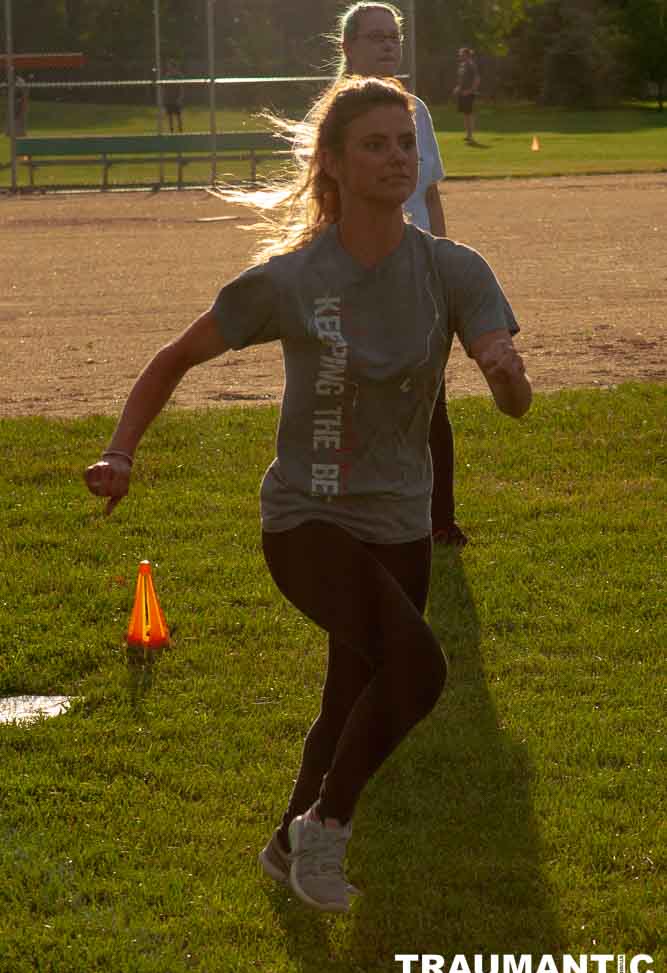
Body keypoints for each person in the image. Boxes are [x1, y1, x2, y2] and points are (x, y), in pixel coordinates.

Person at [85, 76, 531, 914]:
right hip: (306, 518)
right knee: (418, 666)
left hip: (400, 522)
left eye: (405, 143)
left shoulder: (453, 269)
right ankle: (326, 827)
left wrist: (508, 379)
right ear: (330, 163)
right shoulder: (290, 280)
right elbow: (172, 358)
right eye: (375, 144)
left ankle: (286, 838)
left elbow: (511, 395)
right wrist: (120, 453)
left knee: (350, 695)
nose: (397, 158)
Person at [333, 1, 466, 546]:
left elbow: (428, 192)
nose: (389, 46)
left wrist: (436, 259)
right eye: (375, 37)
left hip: (410, 268)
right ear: (348, 47)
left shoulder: (416, 109)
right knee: (346, 396)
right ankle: (348, 514)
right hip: (351, 268)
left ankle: (439, 521)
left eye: (394, 37)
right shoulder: (332, 115)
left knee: (428, 399)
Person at [454, 47, 480, 144]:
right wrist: (458, 88)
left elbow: (477, 79)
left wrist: (470, 91)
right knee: (465, 114)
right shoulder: (462, 65)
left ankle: (471, 136)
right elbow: (462, 79)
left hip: (468, 94)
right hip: (462, 93)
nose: (460, 56)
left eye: (462, 54)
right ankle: (468, 135)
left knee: (469, 114)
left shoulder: (471, 65)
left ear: (467, 55)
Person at [163, 60, 185, 134]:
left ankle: (180, 130)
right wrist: (165, 97)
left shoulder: (178, 75)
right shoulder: (167, 75)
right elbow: (165, 87)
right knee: (170, 116)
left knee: (178, 115)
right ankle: (171, 131)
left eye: (169, 66)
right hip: (169, 99)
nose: (168, 67)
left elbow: (181, 88)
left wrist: (180, 98)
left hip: (176, 98)